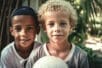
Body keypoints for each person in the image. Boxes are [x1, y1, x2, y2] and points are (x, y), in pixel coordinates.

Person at [26, 0, 89, 68]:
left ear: (71, 26)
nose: (57, 29)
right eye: (51, 24)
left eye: (63, 24)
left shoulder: (80, 57)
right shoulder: (36, 55)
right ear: (44, 27)